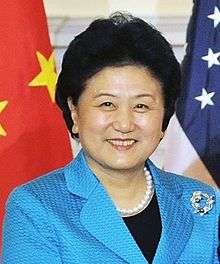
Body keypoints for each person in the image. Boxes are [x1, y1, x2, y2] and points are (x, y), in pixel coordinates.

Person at [2, 12, 219, 264]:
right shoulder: (35, 207)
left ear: (164, 116)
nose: (124, 124)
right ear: (74, 111)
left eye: (141, 106)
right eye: (107, 104)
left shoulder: (203, 204)